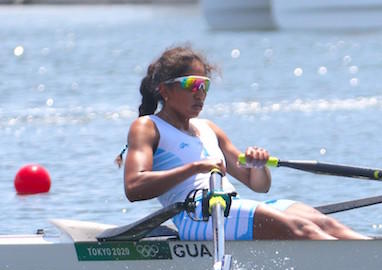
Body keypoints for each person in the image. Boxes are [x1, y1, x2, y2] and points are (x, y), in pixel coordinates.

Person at [121, 45, 368, 241]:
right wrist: (195, 168)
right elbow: (134, 187)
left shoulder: (209, 128)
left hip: (230, 207)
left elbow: (258, 186)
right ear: (165, 90)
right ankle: (362, 263)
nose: (200, 93)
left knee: (322, 222)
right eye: (192, 85)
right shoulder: (147, 127)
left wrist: (259, 166)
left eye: (205, 85)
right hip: (197, 216)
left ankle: (379, 255)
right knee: (302, 229)